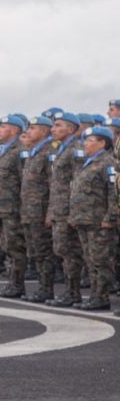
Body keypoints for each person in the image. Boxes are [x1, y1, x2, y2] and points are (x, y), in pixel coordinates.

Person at [69, 127, 117, 310]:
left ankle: (102, 296)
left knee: (101, 260)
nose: (85, 144)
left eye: (90, 140)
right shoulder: (86, 163)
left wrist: (110, 217)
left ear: (102, 143)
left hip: (99, 221)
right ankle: (96, 295)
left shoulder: (107, 163)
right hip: (85, 220)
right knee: (90, 260)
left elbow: (113, 193)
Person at [44, 111, 84, 307]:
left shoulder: (76, 150)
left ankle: (73, 292)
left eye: (59, 125)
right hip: (59, 209)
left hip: (69, 210)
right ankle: (70, 291)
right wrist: (52, 211)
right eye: (53, 125)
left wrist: (73, 213)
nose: (53, 129)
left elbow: (78, 184)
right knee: (62, 251)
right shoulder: (60, 149)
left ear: (72, 128)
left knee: (71, 253)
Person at [19, 116, 56, 302]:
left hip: (41, 212)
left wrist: (50, 212)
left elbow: (53, 185)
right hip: (29, 212)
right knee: (35, 252)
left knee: (44, 253)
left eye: (33, 128)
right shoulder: (33, 151)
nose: (28, 131)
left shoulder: (49, 152)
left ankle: (46, 289)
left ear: (43, 131)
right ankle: (42, 288)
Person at [0, 114, 29, 298]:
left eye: (3, 127)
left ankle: (17, 284)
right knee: (5, 246)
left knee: (15, 248)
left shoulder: (19, 151)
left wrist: (22, 207)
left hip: (13, 207)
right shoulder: (2, 150)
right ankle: (10, 282)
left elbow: (25, 182)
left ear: (15, 130)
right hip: (1, 207)